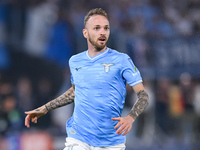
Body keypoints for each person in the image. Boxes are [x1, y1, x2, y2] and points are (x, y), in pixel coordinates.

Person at [25, 8, 149, 150]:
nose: (102, 32)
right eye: (97, 28)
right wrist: (45, 109)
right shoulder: (75, 61)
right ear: (85, 33)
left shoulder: (122, 60)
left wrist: (130, 118)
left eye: (106, 28)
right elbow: (75, 92)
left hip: (109, 140)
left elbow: (143, 95)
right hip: (79, 138)